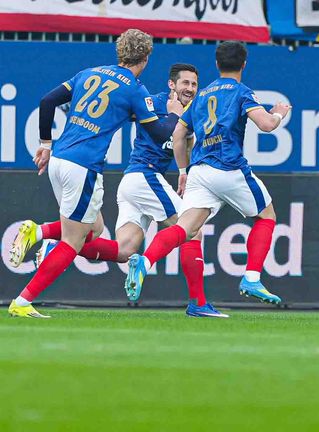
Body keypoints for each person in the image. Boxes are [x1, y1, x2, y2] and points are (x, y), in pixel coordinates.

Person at [25, 64, 228, 318]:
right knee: (192, 230)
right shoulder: (152, 102)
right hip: (145, 176)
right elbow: (129, 114)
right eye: (184, 83)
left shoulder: (194, 113)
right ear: (171, 85)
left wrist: (184, 170)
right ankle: (197, 303)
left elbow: (185, 143)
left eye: (194, 84)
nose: (190, 89)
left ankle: (56, 248)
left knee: (123, 250)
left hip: (133, 182)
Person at [7, 29, 183, 318]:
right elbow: (159, 132)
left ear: (119, 51)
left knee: (95, 228)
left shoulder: (89, 73)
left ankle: (37, 231)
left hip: (60, 160)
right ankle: (23, 300)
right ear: (146, 57)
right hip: (84, 167)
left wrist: (45, 144)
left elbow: (47, 101)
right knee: (73, 241)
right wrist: (175, 112)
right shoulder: (135, 89)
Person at [122, 41, 291, 305]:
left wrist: (182, 170)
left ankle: (145, 261)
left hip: (199, 171)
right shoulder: (241, 91)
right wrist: (278, 114)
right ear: (244, 64)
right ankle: (252, 277)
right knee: (266, 215)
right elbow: (267, 125)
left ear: (216, 64)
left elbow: (178, 134)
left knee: (185, 229)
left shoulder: (201, 96)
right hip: (228, 167)